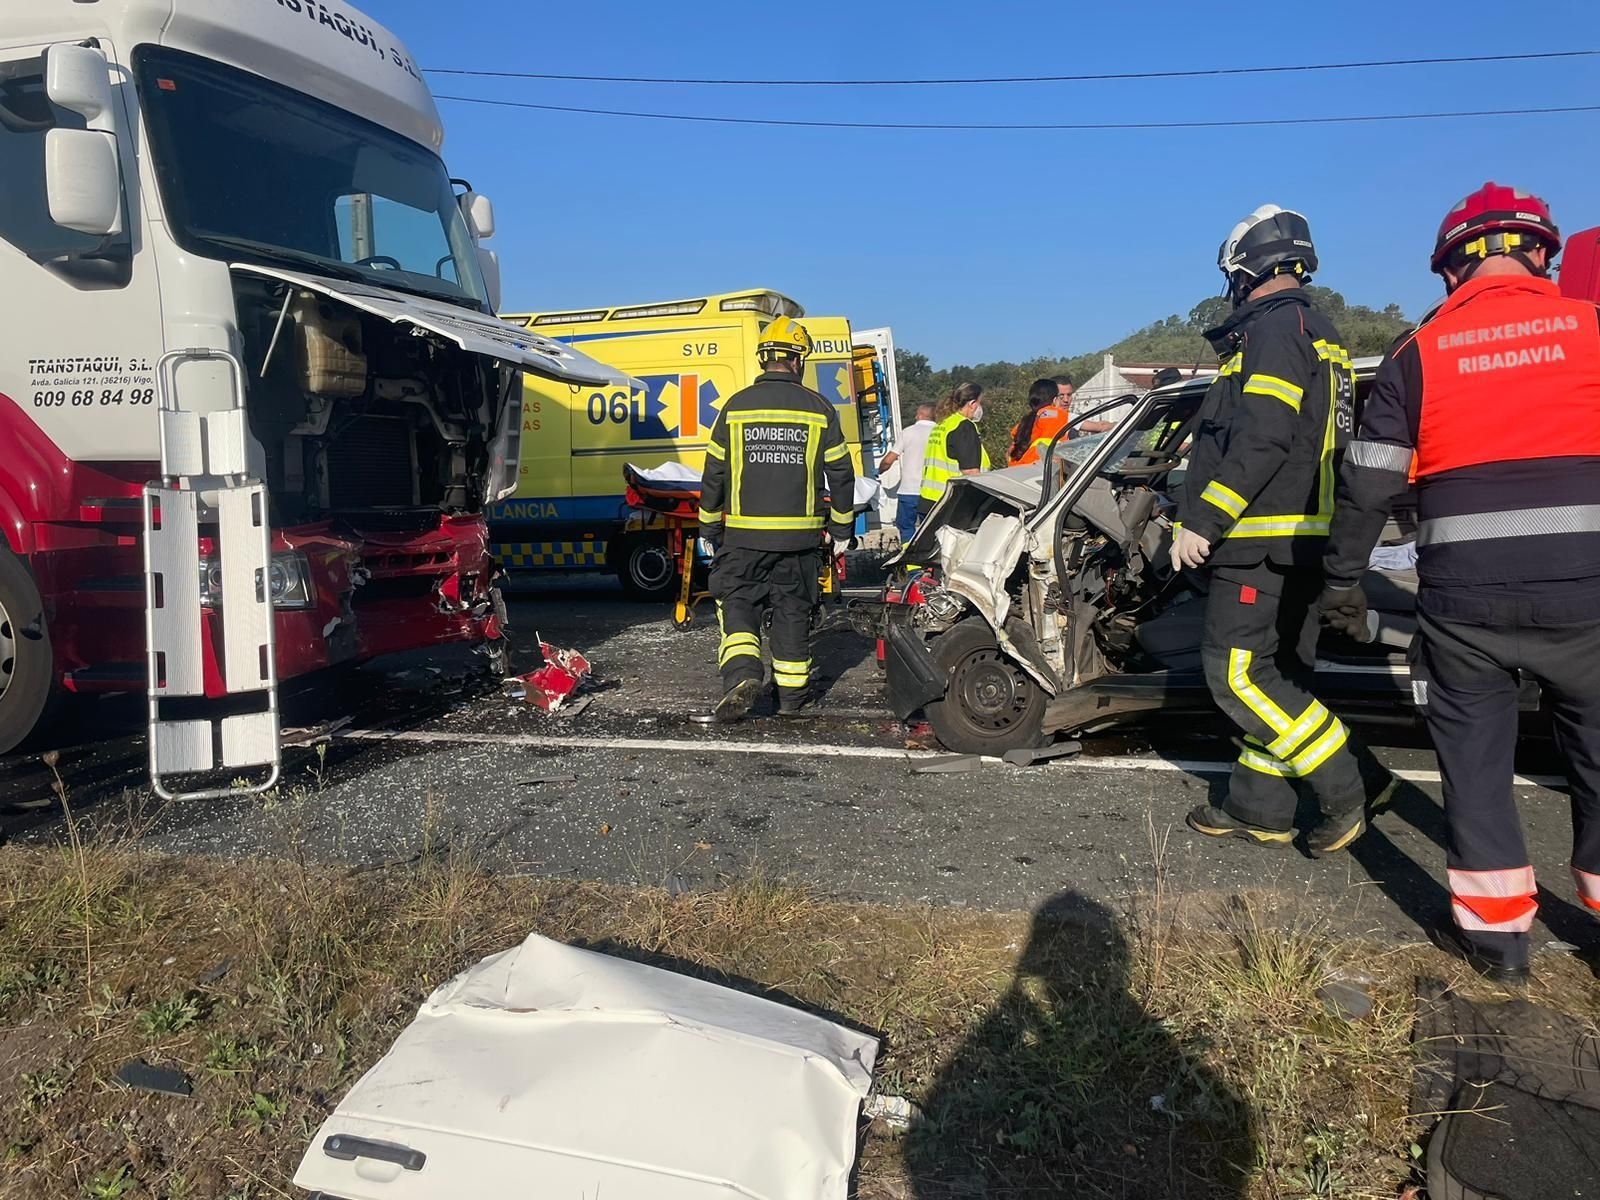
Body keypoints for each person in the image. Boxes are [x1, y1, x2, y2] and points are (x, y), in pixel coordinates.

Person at [1320, 182, 1600, 984]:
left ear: (1450, 271)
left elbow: (1370, 484)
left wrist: (1342, 579)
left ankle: (1500, 947)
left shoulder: (1420, 351)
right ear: (1542, 254)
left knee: (1474, 770)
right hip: (1589, 600)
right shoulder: (1591, 328)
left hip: (1465, 608)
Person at [1176, 204, 1387, 856]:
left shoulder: (1273, 332)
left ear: (1244, 270)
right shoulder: (1319, 331)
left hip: (1259, 540)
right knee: (1282, 676)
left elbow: (1262, 437)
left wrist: (1202, 521)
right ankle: (1257, 807)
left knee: (1236, 676)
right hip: (1302, 539)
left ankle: (1348, 789)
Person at [698, 316, 856, 722]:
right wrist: (840, 529)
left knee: (737, 604)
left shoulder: (735, 407)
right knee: (792, 613)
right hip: (799, 541)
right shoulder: (819, 409)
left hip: (743, 539)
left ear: (764, 359)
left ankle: (742, 676)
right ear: (798, 361)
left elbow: (714, 472)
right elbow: (840, 473)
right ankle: (791, 699)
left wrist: (709, 526)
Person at [918, 382, 990, 515]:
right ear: (972, 403)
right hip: (951, 503)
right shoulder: (964, 427)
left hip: (930, 500)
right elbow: (970, 472)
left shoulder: (943, 424)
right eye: (980, 403)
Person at [878, 400, 936, 545]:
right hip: (932, 491)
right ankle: (930, 562)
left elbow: (888, 460)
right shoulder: (940, 433)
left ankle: (911, 564)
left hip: (909, 491)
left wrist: (879, 471)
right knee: (930, 528)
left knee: (906, 527)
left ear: (921, 415)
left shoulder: (908, 432)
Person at [1007, 378, 1072, 466]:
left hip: (1018, 473)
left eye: (1069, 395)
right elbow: (1096, 426)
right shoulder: (1060, 416)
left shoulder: (1024, 424)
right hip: (1041, 474)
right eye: (1060, 396)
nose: (1065, 400)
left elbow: (1009, 454)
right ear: (1054, 399)